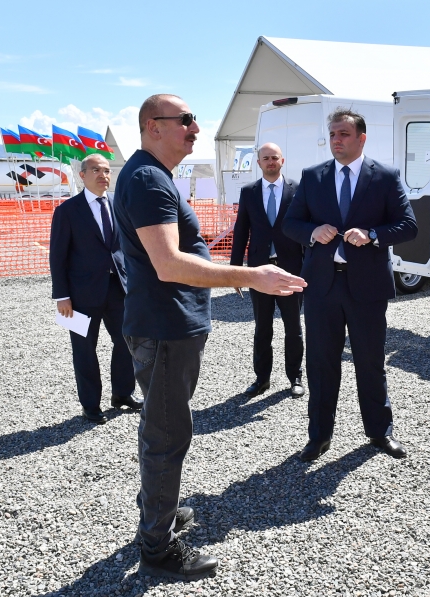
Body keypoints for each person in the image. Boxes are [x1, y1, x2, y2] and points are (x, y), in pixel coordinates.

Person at [114, 94, 305, 582]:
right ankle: (157, 547)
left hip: (168, 327)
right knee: (166, 435)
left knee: (163, 427)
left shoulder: (152, 175)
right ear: (153, 126)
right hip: (164, 329)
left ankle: (158, 508)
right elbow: (169, 264)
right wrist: (253, 275)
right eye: (185, 120)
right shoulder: (147, 179)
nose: (196, 128)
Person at [282, 107, 417, 463]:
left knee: (370, 362)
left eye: (343, 134)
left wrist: (372, 234)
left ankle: (380, 432)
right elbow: (291, 224)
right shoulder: (313, 176)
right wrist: (313, 231)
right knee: (320, 364)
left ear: (361, 138)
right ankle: (319, 437)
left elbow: (408, 225)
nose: (336, 140)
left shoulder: (384, 176)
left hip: (366, 287)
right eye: (332, 134)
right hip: (322, 287)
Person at [49, 153, 141, 424]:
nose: (104, 175)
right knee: (84, 350)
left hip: (118, 290)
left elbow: (127, 248)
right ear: (82, 175)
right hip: (79, 296)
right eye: (96, 170)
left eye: (107, 170)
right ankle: (90, 405)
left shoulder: (118, 206)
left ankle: (122, 394)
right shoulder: (67, 211)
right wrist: (62, 296)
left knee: (127, 342)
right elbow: (57, 256)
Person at [230, 142, 305, 398]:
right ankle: (262, 379)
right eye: (266, 158)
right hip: (259, 270)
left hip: (290, 269)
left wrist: (310, 268)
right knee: (262, 328)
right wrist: (235, 271)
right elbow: (241, 231)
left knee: (293, 327)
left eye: (275, 157)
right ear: (259, 162)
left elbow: (305, 228)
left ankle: (295, 377)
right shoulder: (249, 192)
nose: (270, 162)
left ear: (282, 161)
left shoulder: (297, 189)